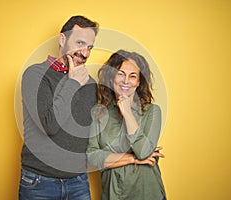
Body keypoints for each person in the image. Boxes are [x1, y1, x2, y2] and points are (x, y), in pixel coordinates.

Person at [18, 15, 99, 200]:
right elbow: (49, 125)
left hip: (78, 182)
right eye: (80, 43)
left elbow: (91, 130)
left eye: (89, 47)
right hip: (39, 183)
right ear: (62, 39)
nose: (85, 53)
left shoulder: (90, 83)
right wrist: (72, 83)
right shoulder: (36, 75)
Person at [86, 50, 167, 200]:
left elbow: (143, 152)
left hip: (147, 193)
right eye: (121, 73)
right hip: (113, 194)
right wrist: (132, 159)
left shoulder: (152, 112)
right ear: (111, 78)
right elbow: (91, 157)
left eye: (133, 76)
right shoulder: (98, 113)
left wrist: (128, 113)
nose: (126, 80)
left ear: (138, 82)